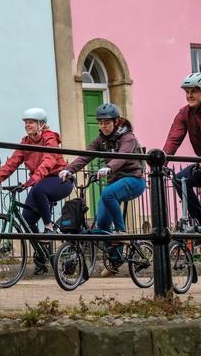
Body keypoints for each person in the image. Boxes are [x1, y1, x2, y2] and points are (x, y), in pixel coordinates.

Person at [58, 103, 146, 276]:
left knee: (107, 194)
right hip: (115, 182)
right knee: (103, 222)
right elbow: (85, 156)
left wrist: (110, 167)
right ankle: (115, 259)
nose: (103, 126)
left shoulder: (128, 137)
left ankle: (121, 232)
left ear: (116, 121)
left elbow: (123, 156)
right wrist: (69, 169)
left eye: (106, 122)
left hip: (134, 180)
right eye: (100, 122)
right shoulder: (100, 140)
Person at [0, 108, 73, 275]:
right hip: (39, 181)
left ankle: (49, 227)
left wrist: (35, 178)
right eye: (25, 122)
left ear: (41, 124)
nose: (27, 125)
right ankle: (41, 257)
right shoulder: (25, 143)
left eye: (31, 122)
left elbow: (48, 159)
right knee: (27, 221)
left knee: (38, 189)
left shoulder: (50, 138)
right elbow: (11, 165)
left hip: (59, 180)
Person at [163, 72, 201, 230]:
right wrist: (161, 160)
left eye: (193, 91)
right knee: (180, 179)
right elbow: (173, 139)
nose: (189, 95)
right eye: (187, 92)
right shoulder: (184, 114)